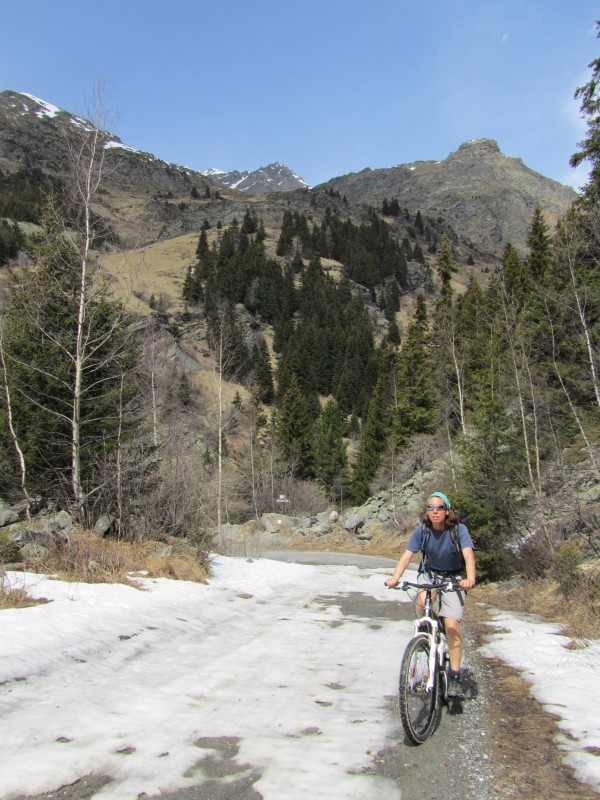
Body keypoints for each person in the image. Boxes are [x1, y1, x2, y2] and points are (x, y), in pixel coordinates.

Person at [385, 491, 476, 698]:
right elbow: (407, 556)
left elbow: (468, 556)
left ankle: (454, 676)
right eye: (430, 508)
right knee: (422, 600)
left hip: (454, 578)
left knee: (452, 627)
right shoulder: (423, 530)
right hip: (430, 574)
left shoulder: (458, 530)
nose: (435, 512)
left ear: (447, 511)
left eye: (440, 508)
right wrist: (395, 578)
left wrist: (469, 578)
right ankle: (429, 629)